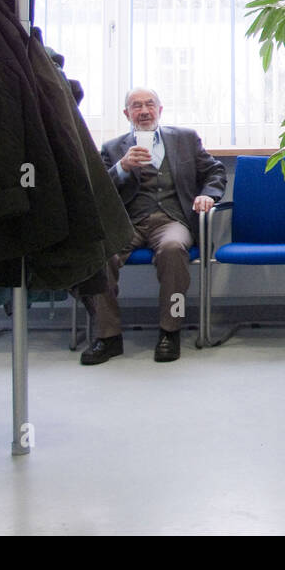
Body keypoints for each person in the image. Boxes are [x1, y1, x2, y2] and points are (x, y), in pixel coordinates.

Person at [80, 88, 226, 365]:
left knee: (172, 249)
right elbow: (99, 190)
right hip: (128, 223)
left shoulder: (185, 138)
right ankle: (108, 337)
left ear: (160, 110)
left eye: (150, 105)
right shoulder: (113, 148)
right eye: (137, 106)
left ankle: (170, 331)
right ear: (127, 114)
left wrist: (208, 195)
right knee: (101, 256)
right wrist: (122, 167)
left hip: (172, 220)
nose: (144, 111)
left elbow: (215, 171)